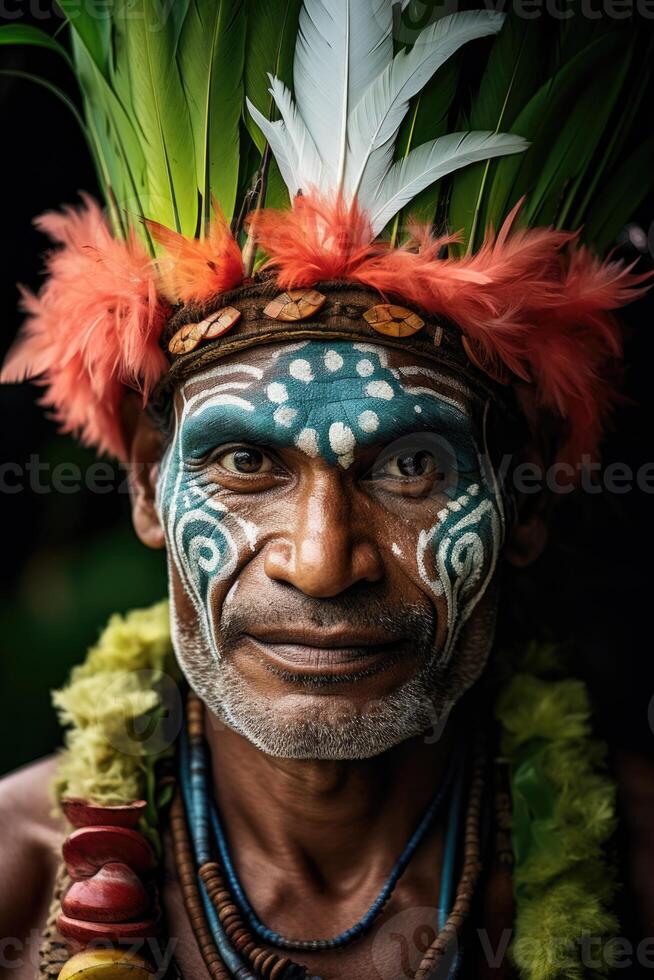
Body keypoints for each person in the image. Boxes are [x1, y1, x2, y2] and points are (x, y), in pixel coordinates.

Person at [0, 4, 652, 978]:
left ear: (527, 495)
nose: (322, 558)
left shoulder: (636, 873)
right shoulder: (15, 879)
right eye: (247, 463)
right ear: (147, 479)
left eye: (411, 467)